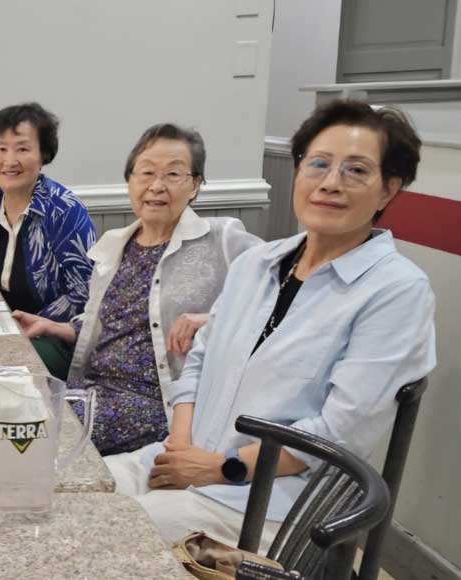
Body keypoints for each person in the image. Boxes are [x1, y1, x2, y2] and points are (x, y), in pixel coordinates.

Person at [104, 100, 436, 547]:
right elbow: (198, 360)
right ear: (298, 172)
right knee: (67, 488)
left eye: (356, 170)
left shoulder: (396, 291)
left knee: (102, 537)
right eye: (318, 163)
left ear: (388, 190)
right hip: (184, 459)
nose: (330, 182)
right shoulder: (258, 263)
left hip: (267, 501)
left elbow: (341, 431)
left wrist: (220, 468)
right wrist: (180, 451)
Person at [12, 124, 262, 453]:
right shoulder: (115, 245)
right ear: (130, 180)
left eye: (173, 174)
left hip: (157, 404)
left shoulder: (222, 239)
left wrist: (210, 321)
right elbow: (109, 324)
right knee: (6, 406)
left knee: (32, 431)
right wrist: (55, 327)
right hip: (91, 390)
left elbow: (281, 295)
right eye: (146, 172)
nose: (156, 186)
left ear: (195, 185)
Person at [0, 102, 97, 324]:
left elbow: (84, 291)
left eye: (22, 149)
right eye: (1, 149)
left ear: (43, 154)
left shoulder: (64, 209)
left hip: (51, 330)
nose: (10, 161)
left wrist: (25, 325)